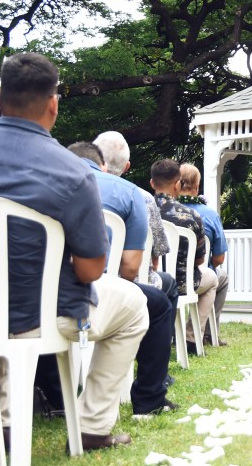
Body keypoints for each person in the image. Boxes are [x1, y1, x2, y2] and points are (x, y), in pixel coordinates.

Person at [0, 52, 148, 449]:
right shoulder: (73, 170)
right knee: (134, 304)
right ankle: (91, 427)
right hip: (40, 317)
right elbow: (90, 271)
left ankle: (6, 420)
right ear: (54, 105)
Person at [67, 142, 177, 416]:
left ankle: (52, 394)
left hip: (32, 297)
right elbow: (129, 269)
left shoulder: (44, 183)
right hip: (97, 291)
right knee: (160, 303)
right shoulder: (130, 192)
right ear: (103, 166)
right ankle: (149, 397)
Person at [93, 131, 179, 308]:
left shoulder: (73, 187)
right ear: (126, 167)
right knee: (169, 284)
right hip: (128, 283)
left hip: (82, 278)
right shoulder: (142, 197)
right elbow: (156, 253)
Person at [150, 158, 216, 355]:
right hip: (183, 283)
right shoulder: (191, 215)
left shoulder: (141, 209)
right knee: (213, 279)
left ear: (152, 183)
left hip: (150, 279)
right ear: (177, 185)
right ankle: (191, 338)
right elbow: (200, 261)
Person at [179, 163, 231, 345]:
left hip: (165, 276)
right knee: (221, 278)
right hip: (196, 277)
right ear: (197, 185)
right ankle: (206, 333)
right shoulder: (209, 215)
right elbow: (219, 258)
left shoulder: (164, 211)